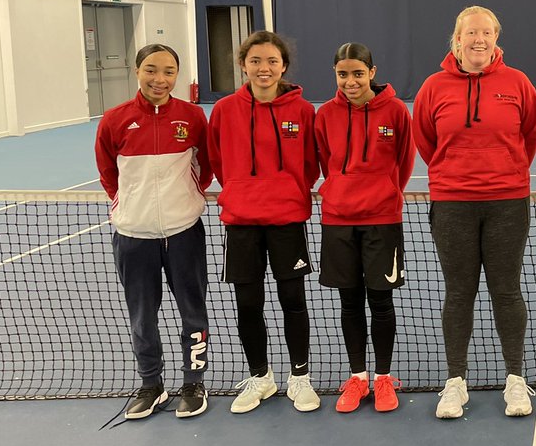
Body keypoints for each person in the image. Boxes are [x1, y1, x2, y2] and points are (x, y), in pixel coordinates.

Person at [414, 6, 536, 419]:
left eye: (486, 33)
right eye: (471, 33)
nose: (478, 40)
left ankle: (516, 380)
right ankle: (455, 382)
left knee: (506, 291)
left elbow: (529, 136)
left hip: (507, 202)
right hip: (453, 205)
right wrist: (455, 176)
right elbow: (427, 142)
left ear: (496, 38)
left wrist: (506, 173)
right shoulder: (434, 87)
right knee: (458, 293)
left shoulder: (517, 83)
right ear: (457, 38)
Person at [95, 44, 212, 419]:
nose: (159, 79)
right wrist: (130, 208)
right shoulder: (114, 120)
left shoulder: (193, 117)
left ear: (177, 75)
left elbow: (206, 166)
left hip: (184, 233)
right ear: (136, 71)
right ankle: (151, 384)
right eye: (151, 69)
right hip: (133, 236)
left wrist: (186, 201)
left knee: (192, 312)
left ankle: (193, 383)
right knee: (142, 316)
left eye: (168, 71)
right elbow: (108, 175)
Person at [208, 30, 321, 414]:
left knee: (293, 300)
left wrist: (286, 192)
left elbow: (310, 164)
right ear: (243, 65)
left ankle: (300, 378)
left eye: (272, 61)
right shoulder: (224, 110)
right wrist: (241, 191)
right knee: (248, 304)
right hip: (241, 221)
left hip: (287, 219)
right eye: (256, 61)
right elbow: (217, 160)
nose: (264, 68)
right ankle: (261, 378)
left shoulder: (303, 111)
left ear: (283, 66)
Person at [315, 43, 414, 414]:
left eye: (358, 73)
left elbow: (404, 162)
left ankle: (384, 378)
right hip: (338, 220)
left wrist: (385, 193)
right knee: (350, 302)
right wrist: (341, 191)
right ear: (336, 75)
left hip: (382, 221)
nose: (350, 81)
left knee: (381, 301)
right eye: (343, 74)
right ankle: (358, 377)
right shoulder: (325, 114)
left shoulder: (396, 111)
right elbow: (326, 160)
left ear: (372, 72)